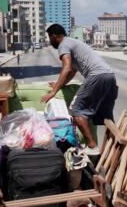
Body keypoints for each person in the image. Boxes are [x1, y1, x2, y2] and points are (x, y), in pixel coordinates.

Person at [41, 23, 118, 156]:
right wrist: (60, 85)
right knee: (105, 117)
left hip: (96, 76)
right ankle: (116, 146)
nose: (50, 41)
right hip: (110, 77)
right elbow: (72, 72)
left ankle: (92, 146)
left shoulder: (63, 44)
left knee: (76, 110)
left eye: (49, 37)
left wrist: (54, 92)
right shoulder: (73, 42)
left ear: (54, 36)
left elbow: (67, 67)